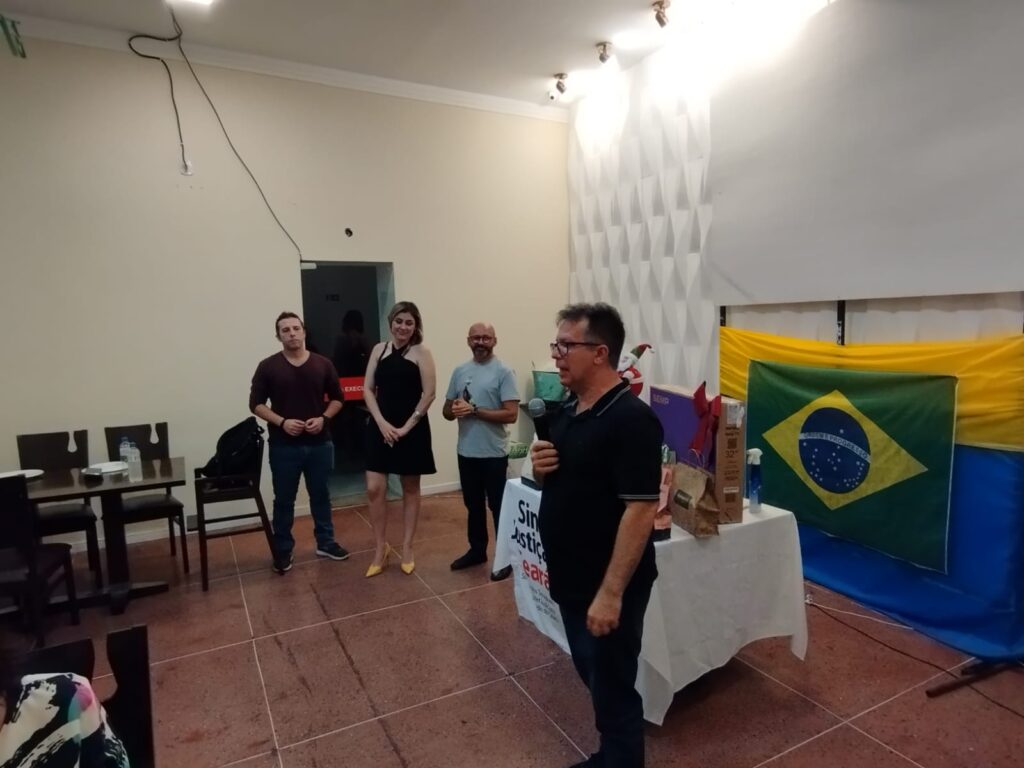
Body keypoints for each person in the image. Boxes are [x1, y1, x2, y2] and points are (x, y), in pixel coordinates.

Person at [530, 303, 663, 768]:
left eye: (566, 345)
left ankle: (620, 760)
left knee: (613, 685)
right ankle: (612, 755)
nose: (556, 355)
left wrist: (610, 594)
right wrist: (540, 469)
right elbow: (567, 483)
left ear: (600, 353)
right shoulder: (568, 411)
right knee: (595, 675)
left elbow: (640, 510)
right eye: (556, 345)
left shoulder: (632, 420)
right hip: (572, 577)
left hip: (606, 584)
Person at [250, 311, 349, 574]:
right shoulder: (267, 366)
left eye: (296, 328)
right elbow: (256, 404)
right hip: (283, 446)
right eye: (285, 330)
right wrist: (282, 422)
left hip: (320, 444)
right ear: (278, 336)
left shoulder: (323, 364)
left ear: (304, 332)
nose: (292, 333)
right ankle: (282, 550)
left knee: (321, 495)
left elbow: (338, 399)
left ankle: (326, 542)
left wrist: (324, 418)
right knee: (284, 499)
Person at [363, 301, 437, 577]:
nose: (403, 327)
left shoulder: (422, 352)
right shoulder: (379, 349)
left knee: (410, 488)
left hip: (412, 429)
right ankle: (380, 548)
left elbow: (429, 394)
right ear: (390, 322)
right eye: (399, 321)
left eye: (409, 322)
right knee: (374, 488)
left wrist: (406, 427)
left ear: (416, 326)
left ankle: (407, 547)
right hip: (380, 428)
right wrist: (381, 422)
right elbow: (368, 389)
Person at [443, 322, 520, 579]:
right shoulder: (459, 371)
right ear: (468, 341)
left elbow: (511, 414)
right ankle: (477, 551)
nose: (480, 342)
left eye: (486, 338)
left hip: (494, 454)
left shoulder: (504, 372)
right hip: (466, 452)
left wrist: (474, 411)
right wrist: (455, 408)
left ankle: (505, 557)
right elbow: (446, 411)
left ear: (495, 341)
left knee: (498, 507)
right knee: (473, 505)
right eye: (476, 338)